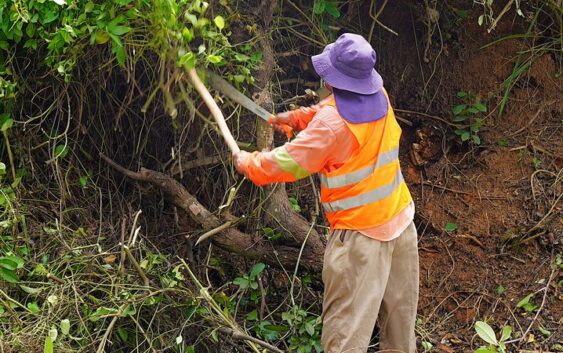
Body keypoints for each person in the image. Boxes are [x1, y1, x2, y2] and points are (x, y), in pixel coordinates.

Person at [232, 33, 419, 353]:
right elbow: (337, 112)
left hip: (361, 242)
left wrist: (247, 162)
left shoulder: (331, 127)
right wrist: (298, 118)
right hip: (401, 225)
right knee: (400, 335)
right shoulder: (380, 97)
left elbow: (284, 164)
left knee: (345, 339)